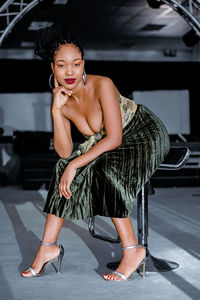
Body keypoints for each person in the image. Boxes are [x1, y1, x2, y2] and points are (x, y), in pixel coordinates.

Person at [21, 24, 170, 281]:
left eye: (76, 64)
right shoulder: (62, 101)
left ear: (83, 64)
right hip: (109, 142)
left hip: (143, 132)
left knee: (104, 168)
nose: (70, 72)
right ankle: (48, 248)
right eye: (62, 65)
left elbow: (114, 137)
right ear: (52, 67)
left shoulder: (103, 85)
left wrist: (74, 165)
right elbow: (64, 151)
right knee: (62, 167)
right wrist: (56, 111)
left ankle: (133, 250)